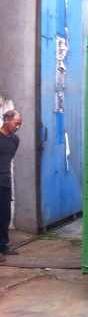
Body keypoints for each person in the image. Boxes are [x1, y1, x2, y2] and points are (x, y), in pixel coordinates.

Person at [0, 110, 22, 260]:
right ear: (7, 120)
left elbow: (8, 160)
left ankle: (3, 246)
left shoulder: (15, 140)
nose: (18, 126)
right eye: (16, 123)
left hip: (5, 182)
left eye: (20, 124)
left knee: (5, 216)